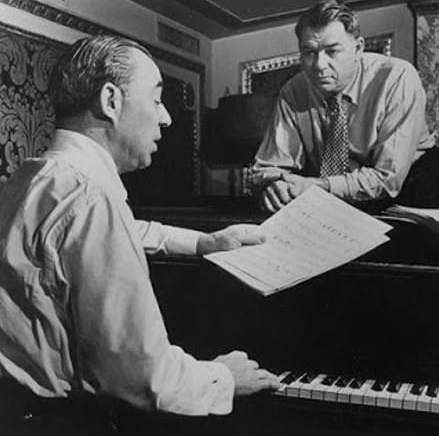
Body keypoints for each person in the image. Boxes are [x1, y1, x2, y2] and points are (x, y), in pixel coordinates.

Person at [0, 35, 282, 432]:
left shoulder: (35, 178)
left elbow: (105, 234)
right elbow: (139, 378)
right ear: (111, 101)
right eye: (156, 98)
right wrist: (224, 377)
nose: (166, 117)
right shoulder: (91, 198)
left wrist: (204, 242)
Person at [251, 0, 439, 213]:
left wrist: (317, 187)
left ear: (358, 48)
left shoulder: (397, 77)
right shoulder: (293, 91)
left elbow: (388, 179)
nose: (319, 65)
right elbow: (266, 167)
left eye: (332, 51)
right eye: (309, 52)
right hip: (332, 190)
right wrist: (273, 184)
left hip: (413, 184)